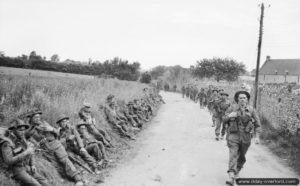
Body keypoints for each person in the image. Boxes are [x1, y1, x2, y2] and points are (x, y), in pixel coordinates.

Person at [25, 109, 84, 186]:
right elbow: (26, 139)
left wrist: (52, 129)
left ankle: (77, 178)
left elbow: (57, 133)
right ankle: (66, 180)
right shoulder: (28, 129)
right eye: (36, 117)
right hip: (45, 149)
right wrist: (36, 143)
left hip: (55, 144)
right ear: (31, 118)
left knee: (64, 160)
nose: (38, 119)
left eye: (39, 117)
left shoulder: (44, 123)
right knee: (55, 165)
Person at [223, 91, 261, 186]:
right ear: (237, 99)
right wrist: (229, 116)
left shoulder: (252, 110)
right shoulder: (231, 108)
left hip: (246, 137)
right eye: (240, 98)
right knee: (233, 154)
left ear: (247, 99)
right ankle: (231, 176)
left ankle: (237, 171)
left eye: (244, 98)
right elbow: (224, 119)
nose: (242, 99)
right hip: (233, 136)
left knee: (242, 156)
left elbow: (257, 124)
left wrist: (257, 137)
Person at [0, 119, 50, 186]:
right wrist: (25, 153)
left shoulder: (22, 139)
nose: (23, 132)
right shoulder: (6, 143)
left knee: (44, 181)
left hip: (25, 166)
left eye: (24, 130)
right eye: (20, 130)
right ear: (13, 130)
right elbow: (8, 161)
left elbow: (30, 151)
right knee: (36, 184)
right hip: (15, 170)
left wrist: (32, 164)